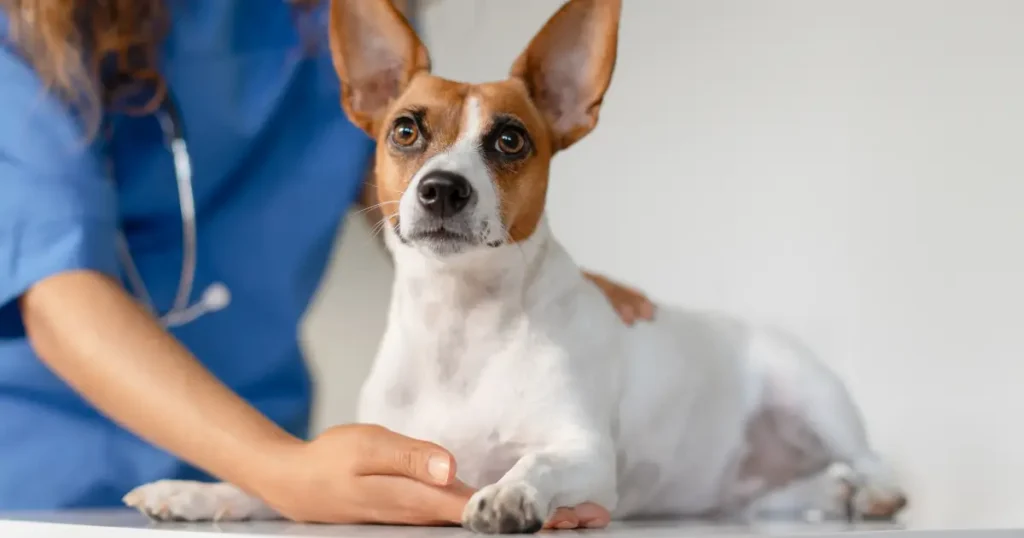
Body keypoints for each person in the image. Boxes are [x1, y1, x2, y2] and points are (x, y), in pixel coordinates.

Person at [0, 0, 654, 527]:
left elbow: (409, 185)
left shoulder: (348, 17)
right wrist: (276, 469)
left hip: (280, 470)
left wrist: (535, 276)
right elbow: (55, 289)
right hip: (48, 476)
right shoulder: (32, 21)